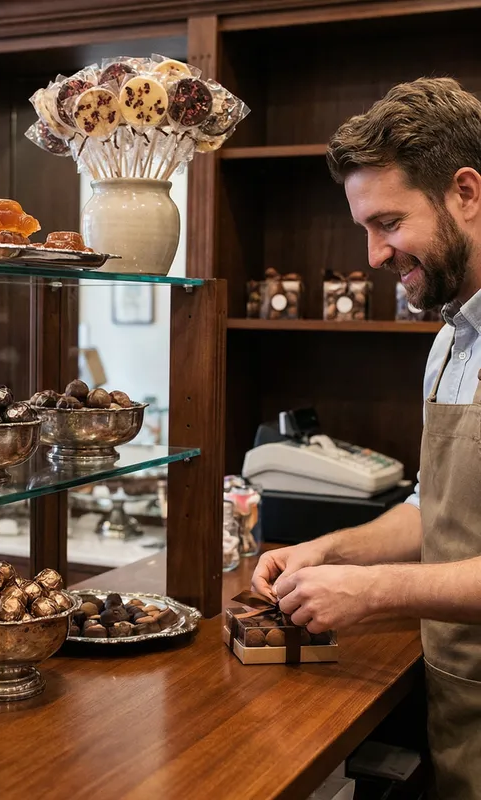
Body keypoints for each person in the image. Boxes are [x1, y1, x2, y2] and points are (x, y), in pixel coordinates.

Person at [251, 76, 481, 798]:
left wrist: (370, 592)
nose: (375, 256)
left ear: (467, 194)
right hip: (460, 700)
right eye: (364, 230)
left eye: (387, 223)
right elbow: (430, 510)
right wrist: (327, 552)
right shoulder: (451, 343)